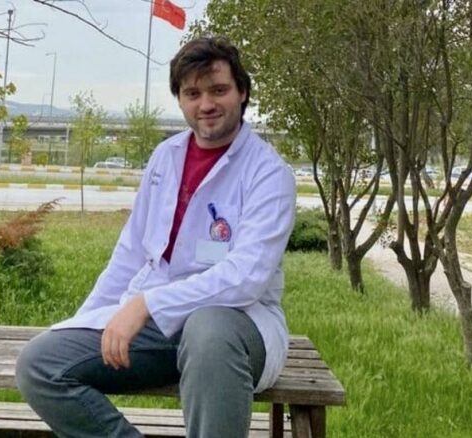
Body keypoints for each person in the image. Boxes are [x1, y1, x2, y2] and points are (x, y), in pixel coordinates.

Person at [16, 36, 296, 437]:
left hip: (236, 327)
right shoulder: (166, 157)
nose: (206, 104)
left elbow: (245, 277)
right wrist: (86, 322)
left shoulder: (268, 173)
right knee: (41, 364)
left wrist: (147, 304)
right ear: (179, 99)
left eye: (218, 90)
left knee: (208, 331)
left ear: (243, 92)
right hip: (160, 328)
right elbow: (132, 252)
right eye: (192, 94)